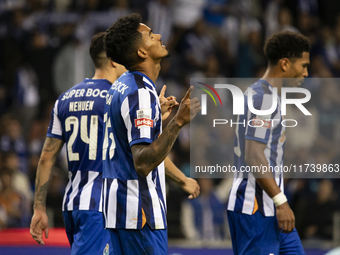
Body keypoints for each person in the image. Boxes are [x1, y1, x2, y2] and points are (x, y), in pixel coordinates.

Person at [102, 13, 201, 255]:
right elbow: (143, 162)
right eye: (149, 35)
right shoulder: (141, 94)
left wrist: (157, 119)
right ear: (141, 53)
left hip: (120, 212)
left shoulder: (121, 86)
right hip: (140, 216)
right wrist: (177, 123)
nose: (157, 35)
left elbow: (132, 150)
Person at [30, 32, 127, 255]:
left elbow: (46, 158)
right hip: (100, 206)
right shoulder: (116, 98)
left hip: (73, 202)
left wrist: (39, 208)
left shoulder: (64, 99)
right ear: (114, 59)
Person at [227, 31, 311, 254]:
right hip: (255, 208)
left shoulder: (263, 94)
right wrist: (281, 201)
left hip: (271, 207)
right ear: (285, 64)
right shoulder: (263, 98)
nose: (306, 72)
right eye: (302, 66)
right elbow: (253, 154)